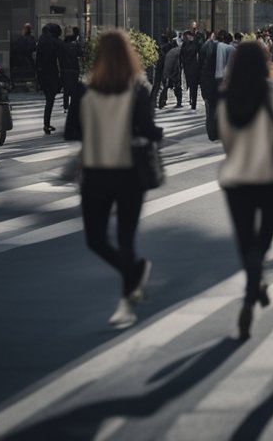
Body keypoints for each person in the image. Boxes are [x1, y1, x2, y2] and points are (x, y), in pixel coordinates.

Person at [64, 30, 163, 329]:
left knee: (95, 239)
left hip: (95, 171)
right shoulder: (138, 90)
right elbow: (148, 130)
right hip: (130, 172)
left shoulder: (84, 90)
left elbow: (71, 132)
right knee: (125, 238)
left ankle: (130, 286)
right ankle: (130, 288)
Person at [217, 41, 273, 340]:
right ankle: (250, 299)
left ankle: (255, 287)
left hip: (236, 179)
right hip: (271, 177)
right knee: (261, 244)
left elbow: (226, 142)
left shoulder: (225, 96)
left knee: (245, 243)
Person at [59, 29, 82, 113]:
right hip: (74, 69)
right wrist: (78, 43)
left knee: (66, 89)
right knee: (73, 89)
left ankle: (65, 106)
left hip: (65, 70)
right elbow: (80, 53)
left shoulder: (62, 46)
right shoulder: (75, 46)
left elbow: (59, 57)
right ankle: (72, 105)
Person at [180, 31, 203, 110]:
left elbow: (182, 56)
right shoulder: (195, 44)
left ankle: (193, 101)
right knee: (193, 85)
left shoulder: (187, 44)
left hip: (190, 67)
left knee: (192, 85)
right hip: (192, 67)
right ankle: (193, 101)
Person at [160, 34, 184, 107]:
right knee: (177, 86)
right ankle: (179, 102)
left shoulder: (168, 50)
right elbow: (178, 63)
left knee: (166, 86)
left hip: (166, 69)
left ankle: (162, 101)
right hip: (173, 69)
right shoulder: (178, 50)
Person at [11, 24, 37, 89]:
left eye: (23, 29)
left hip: (22, 61)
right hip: (29, 61)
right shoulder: (32, 39)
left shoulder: (21, 39)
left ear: (26, 30)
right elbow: (34, 48)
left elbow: (17, 49)